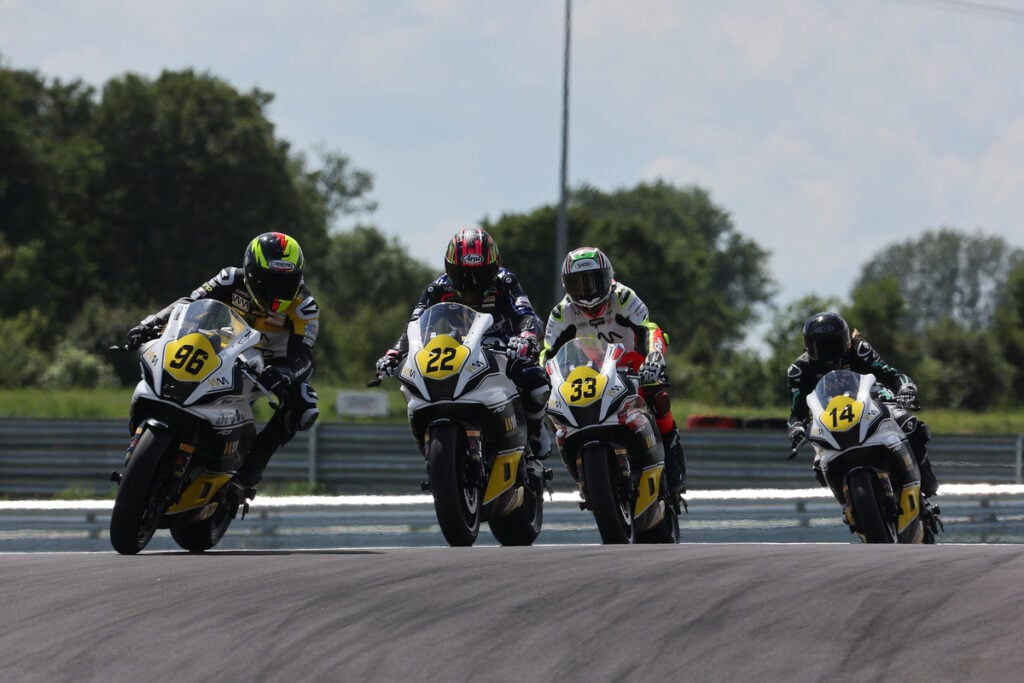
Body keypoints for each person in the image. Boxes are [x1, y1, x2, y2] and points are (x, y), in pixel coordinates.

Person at [124, 231, 320, 499]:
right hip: (223, 348)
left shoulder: (304, 306)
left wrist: (285, 372)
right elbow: (188, 304)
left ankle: (245, 477)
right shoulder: (229, 278)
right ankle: (148, 436)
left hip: (269, 366)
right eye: (270, 280)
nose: (277, 291)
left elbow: (304, 356)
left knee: (304, 405)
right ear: (251, 272)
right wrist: (152, 322)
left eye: (286, 282)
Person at [375, 228, 552, 458]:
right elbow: (413, 327)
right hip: (456, 354)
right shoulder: (435, 289)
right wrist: (395, 353)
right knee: (410, 384)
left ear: (494, 267)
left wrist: (526, 336)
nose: (471, 284)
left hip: (502, 349)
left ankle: (536, 429)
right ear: (449, 268)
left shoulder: (505, 281)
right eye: (463, 275)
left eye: (481, 274)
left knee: (537, 384)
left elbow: (527, 314)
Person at [540, 247, 687, 498]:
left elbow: (649, 329)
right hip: (589, 371)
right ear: (567, 285)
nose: (587, 290)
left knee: (657, 396)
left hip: (632, 364)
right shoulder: (562, 312)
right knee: (554, 408)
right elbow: (547, 352)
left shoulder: (623, 297)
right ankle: (582, 467)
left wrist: (654, 357)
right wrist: (544, 374)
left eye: (594, 280)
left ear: (608, 277)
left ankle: (673, 463)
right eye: (579, 283)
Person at [786, 311, 939, 502]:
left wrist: (906, 388)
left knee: (911, 425)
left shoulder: (859, 349)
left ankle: (923, 477)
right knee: (818, 466)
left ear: (844, 339)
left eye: (833, 343)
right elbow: (796, 412)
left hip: (873, 400)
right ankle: (849, 505)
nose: (829, 352)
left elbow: (890, 373)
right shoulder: (799, 370)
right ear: (808, 346)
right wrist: (796, 427)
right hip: (830, 417)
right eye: (821, 346)